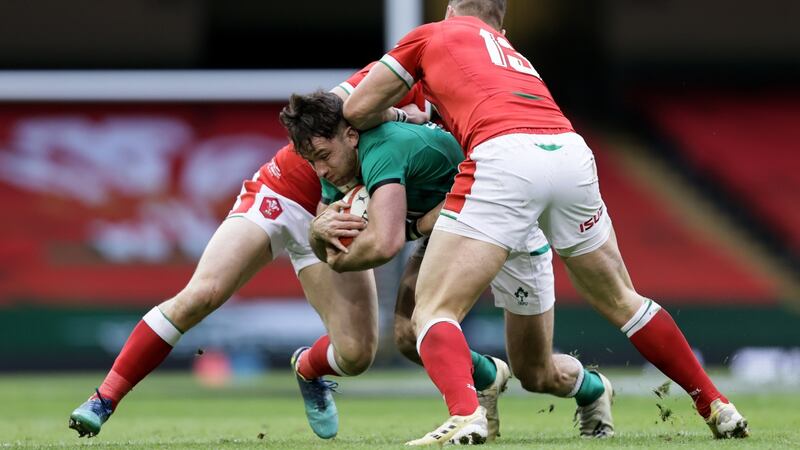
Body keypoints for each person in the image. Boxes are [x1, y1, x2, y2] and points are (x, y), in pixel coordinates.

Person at [342, 0, 749, 445]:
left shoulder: (433, 36)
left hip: (502, 160)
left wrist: (405, 115)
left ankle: (466, 415)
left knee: (434, 310)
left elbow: (357, 108)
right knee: (620, 300)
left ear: (451, 8)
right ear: (501, 20)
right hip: (569, 153)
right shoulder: (513, 55)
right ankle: (715, 402)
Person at [64, 63, 495, 441]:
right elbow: (342, 106)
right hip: (280, 194)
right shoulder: (393, 75)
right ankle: (104, 398)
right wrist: (404, 113)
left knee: (356, 354)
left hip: (339, 213)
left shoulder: (445, 102)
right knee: (204, 293)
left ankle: (308, 368)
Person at [282, 90, 615, 443]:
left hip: (508, 225)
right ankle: (478, 391)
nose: (320, 169)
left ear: (350, 136)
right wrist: (317, 232)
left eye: (322, 156)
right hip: (451, 229)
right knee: (411, 334)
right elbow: (329, 232)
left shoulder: (383, 148)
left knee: (536, 373)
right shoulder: (334, 165)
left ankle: (592, 389)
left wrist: (342, 253)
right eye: (311, 161)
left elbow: (385, 243)